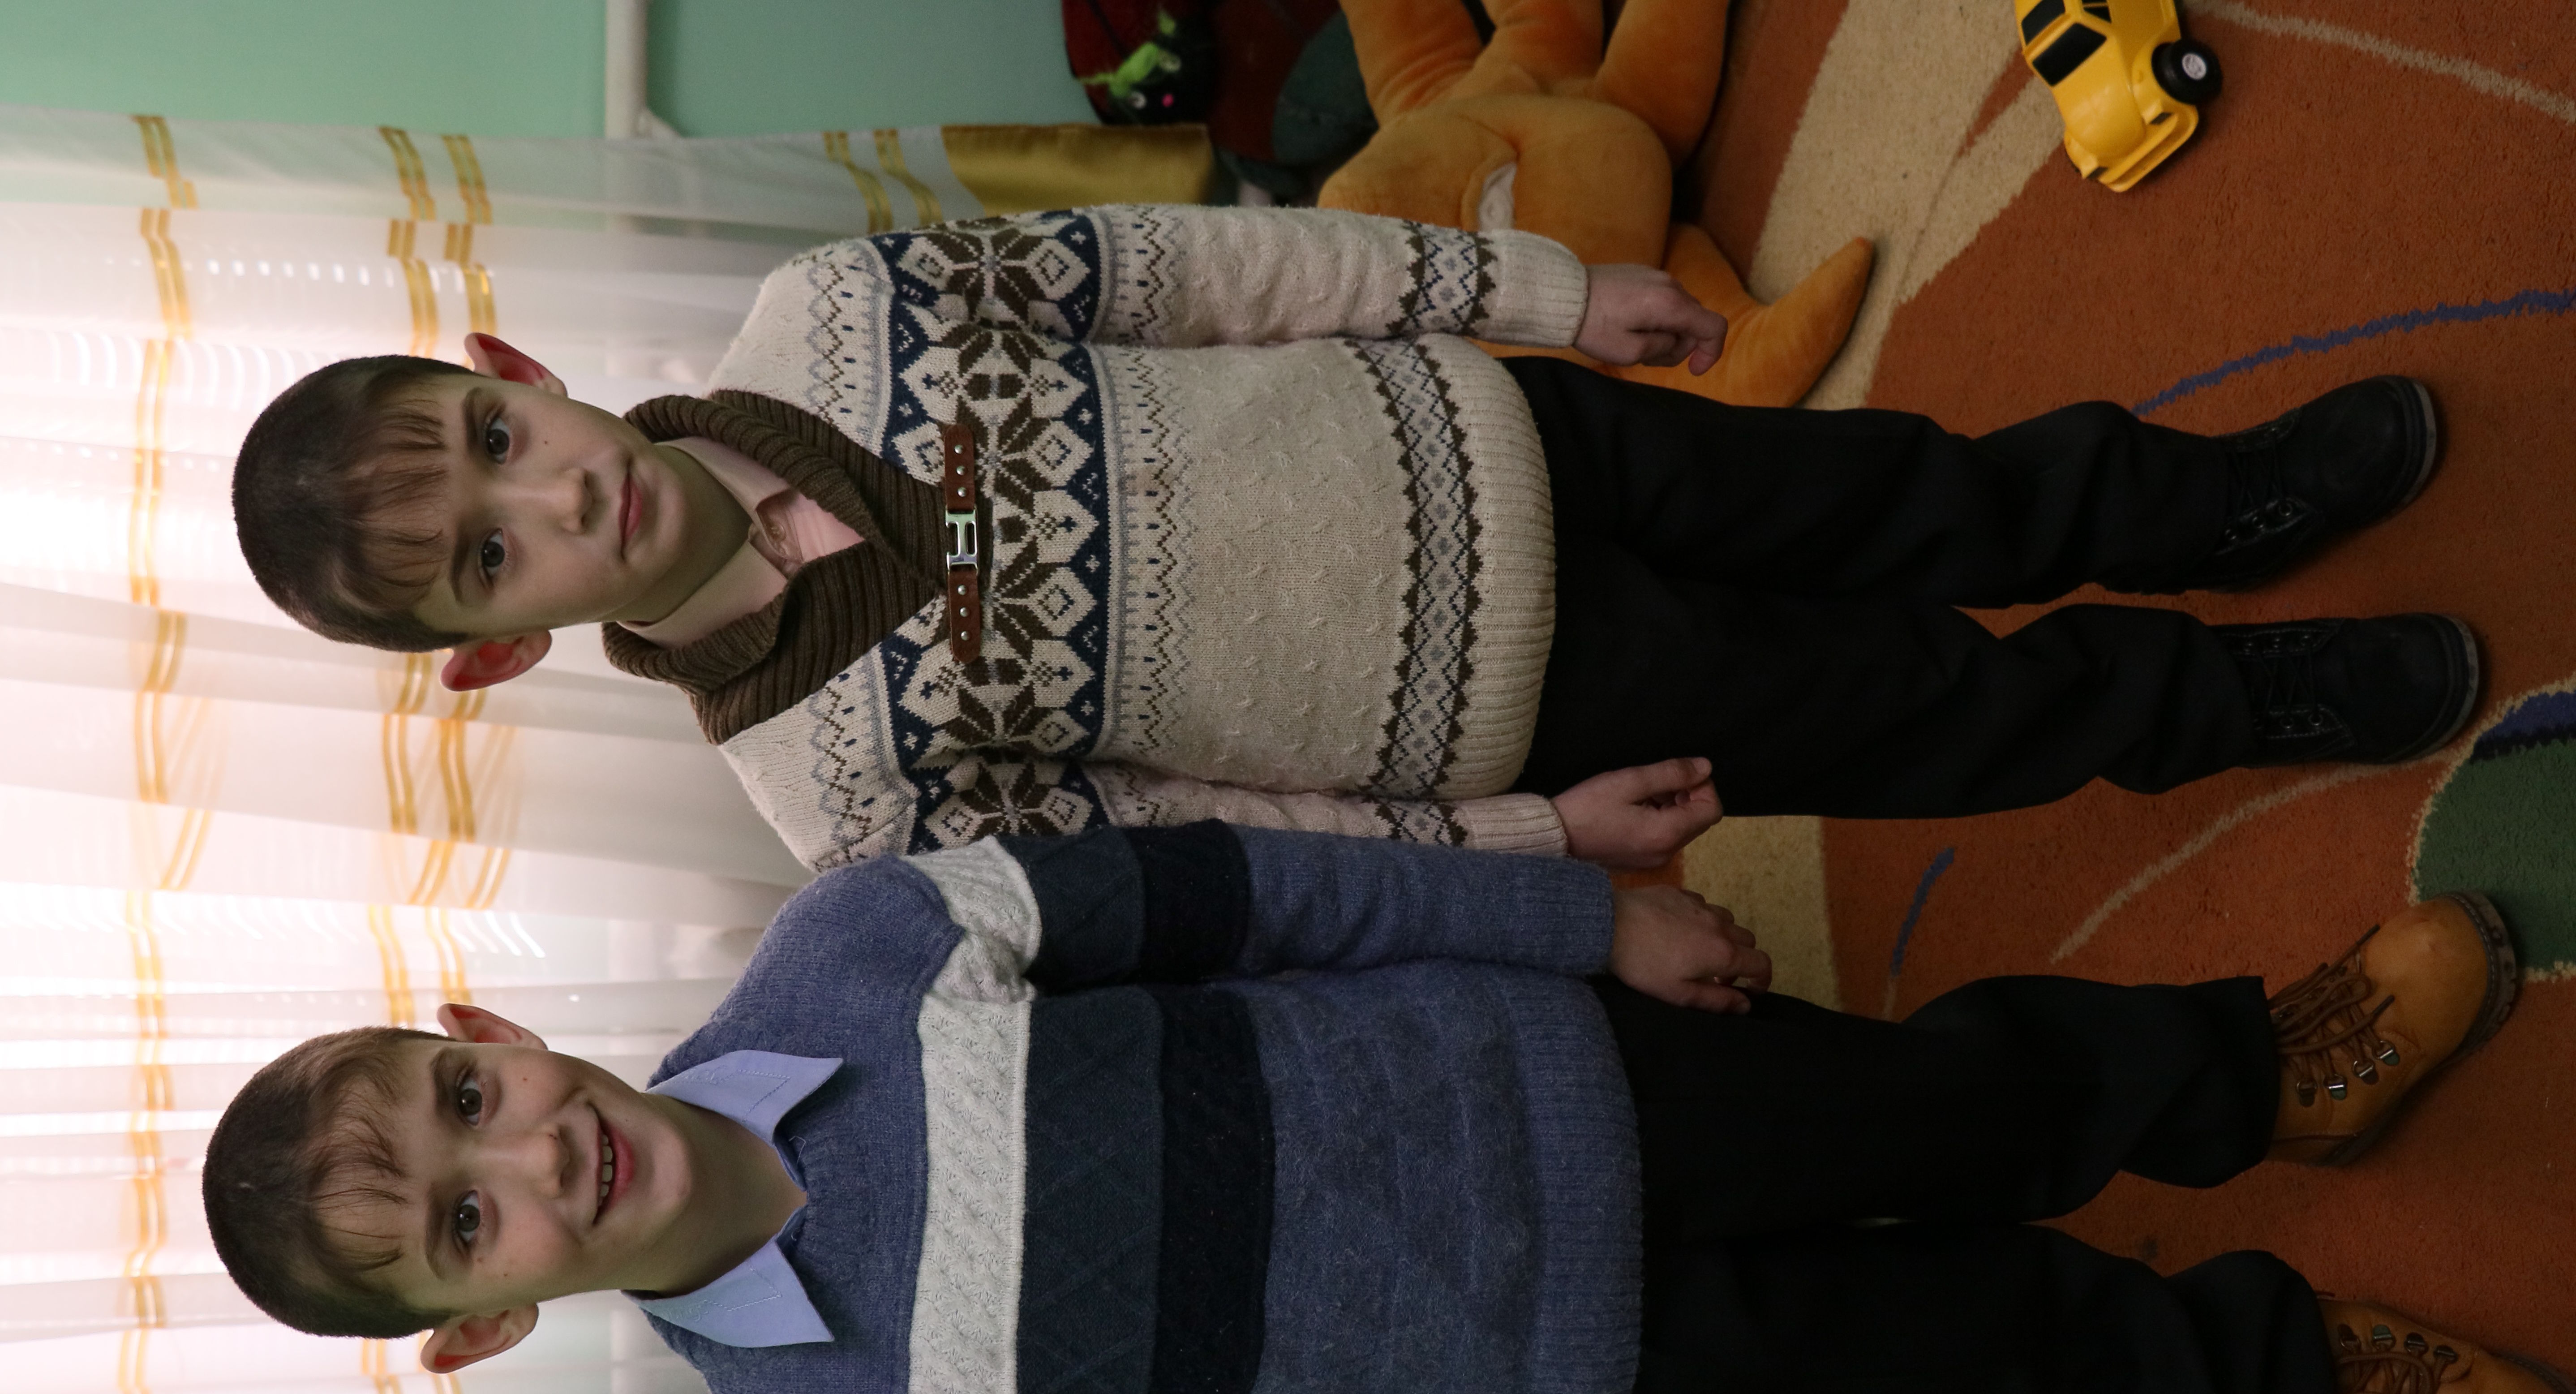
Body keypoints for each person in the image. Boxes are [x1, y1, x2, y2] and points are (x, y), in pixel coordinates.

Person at [203, 822, 2574, 1394]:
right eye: (465, 1228)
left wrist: (1572, 912)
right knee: (1979, 1366)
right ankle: (2312, 1369)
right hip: (1571, 1374)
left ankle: (2275, 1064)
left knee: (1967, 1102)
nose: (531, 1156)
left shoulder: (867, 939)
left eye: (465, 1097)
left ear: (486, 1023)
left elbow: (1262, 893)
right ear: (478, 1331)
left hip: (1585, 1068)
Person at [230, 205, 2473, 874]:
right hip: (1519, 710)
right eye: (491, 557)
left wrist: (1528, 290)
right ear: (495, 654)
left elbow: (1203, 271)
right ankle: (2218, 701)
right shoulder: (830, 788)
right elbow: (1199, 834)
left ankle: (2214, 502)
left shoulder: (831, 311)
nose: (556, 496)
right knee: (1919, 709)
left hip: (1504, 433)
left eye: (494, 439)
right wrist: (1524, 841)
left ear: (513, 364)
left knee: (1912, 490)